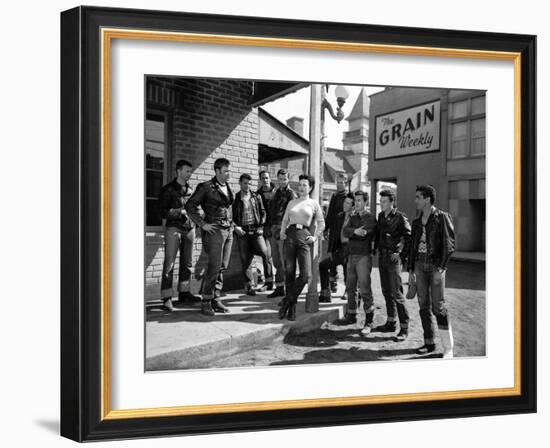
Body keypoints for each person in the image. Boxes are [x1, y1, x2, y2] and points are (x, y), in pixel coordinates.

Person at [408, 185, 456, 357]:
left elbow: (449, 245)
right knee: (423, 306)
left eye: (418, 197)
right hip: (419, 266)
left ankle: (448, 348)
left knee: (439, 307)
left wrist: (441, 268)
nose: (415, 200)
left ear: (427, 199)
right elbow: (412, 247)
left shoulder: (442, 218)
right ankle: (429, 343)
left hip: (436, 266)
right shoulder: (416, 222)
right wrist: (411, 269)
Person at [185, 158, 234, 317]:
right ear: (217, 171)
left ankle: (215, 298)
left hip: (228, 230)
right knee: (214, 267)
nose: (229, 174)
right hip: (214, 231)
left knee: (222, 266)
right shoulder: (206, 187)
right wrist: (202, 224)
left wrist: (232, 226)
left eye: (229, 171)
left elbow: (228, 207)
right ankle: (206, 300)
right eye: (226, 171)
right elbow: (190, 205)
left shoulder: (227, 186)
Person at [278, 174, 325, 321]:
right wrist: (282, 232)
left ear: (310, 187)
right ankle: (291, 310)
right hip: (290, 236)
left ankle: (286, 301)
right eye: (300, 184)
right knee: (289, 273)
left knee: (305, 275)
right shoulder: (292, 202)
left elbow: (321, 223)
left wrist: (315, 237)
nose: (301, 187)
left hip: (304, 236)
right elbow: (285, 219)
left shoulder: (313, 203)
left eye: (305, 185)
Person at [158, 159, 202, 312]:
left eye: (190, 171)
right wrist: (179, 211)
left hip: (189, 229)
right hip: (174, 229)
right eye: (187, 171)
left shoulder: (191, 190)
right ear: (178, 171)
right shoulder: (168, 189)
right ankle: (167, 297)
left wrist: (199, 214)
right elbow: (162, 211)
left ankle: (184, 293)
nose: (190, 174)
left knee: (187, 264)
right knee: (169, 263)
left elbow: (196, 208)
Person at [338, 191, 378, 335]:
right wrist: (355, 231)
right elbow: (345, 231)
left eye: (360, 200)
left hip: (363, 257)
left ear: (366, 202)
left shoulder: (371, 218)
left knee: (365, 289)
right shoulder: (353, 216)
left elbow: (364, 235)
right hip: (351, 256)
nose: (357, 203)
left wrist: (353, 233)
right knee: (350, 287)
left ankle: (369, 321)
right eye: (356, 200)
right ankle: (351, 315)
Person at [375, 189, 411, 341]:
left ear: (392, 202)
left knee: (397, 293)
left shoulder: (400, 217)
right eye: (380, 201)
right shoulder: (381, 216)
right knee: (386, 291)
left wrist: (401, 255)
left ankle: (404, 328)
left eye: (384, 201)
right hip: (382, 257)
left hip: (393, 258)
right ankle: (391, 322)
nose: (381, 204)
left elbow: (409, 237)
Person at [232, 173, 273, 296]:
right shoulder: (236, 198)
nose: (247, 186)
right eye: (245, 183)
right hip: (243, 231)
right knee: (246, 259)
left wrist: (261, 226)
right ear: (240, 183)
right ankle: (249, 286)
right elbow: (231, 216)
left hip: (256, 230)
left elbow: (263, 212)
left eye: (249, 183)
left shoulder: (256, 196)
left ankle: (269, 282)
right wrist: (236, 227)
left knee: (265, 254)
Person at [318, 193, 354, 303]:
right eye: (345, 202)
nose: (345, 204)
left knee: (348, 272)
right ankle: (325, 294)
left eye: (348, 203)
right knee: (323, 265)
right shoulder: (339, 216)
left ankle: (349, 293)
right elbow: (334, 234)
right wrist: (330, 250)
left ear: (353, 206)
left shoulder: (357, 218)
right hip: (340, 249)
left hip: (351, 250)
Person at [267, 168, 297, 299]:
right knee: (276, 259)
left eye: (284, 179)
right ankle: (279, 287)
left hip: (284, 229)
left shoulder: (292, 195)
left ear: (288, 179)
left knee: (285, 260)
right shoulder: (275, 192)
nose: (282, 182)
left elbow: (293, 215)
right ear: (277, 179)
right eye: (280, 179)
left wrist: (284, 230)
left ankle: (288, 289)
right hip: (274, 228)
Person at [324, 173, 350, 293]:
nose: (339, 185)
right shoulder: (334, 196)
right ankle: (333, 283)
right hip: (334, 233)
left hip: (344, 234)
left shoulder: (349, 197)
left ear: (346, 183)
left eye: (341, 183)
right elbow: (330, 215)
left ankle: (347, 289)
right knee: (331, 258)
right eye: (337, 182)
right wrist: (326, 228)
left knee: (345, 263)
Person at [256, 170, 277, 291]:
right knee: (266, 255)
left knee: (279, 255)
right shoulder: (258, 194)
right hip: (265, 227)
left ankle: (281, 283)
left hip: (277, 226)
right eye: (263, 178)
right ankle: (269, 282)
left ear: (270, 178)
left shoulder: (277, 191)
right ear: (260, 180)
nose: (265, 180)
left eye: (267, 178)